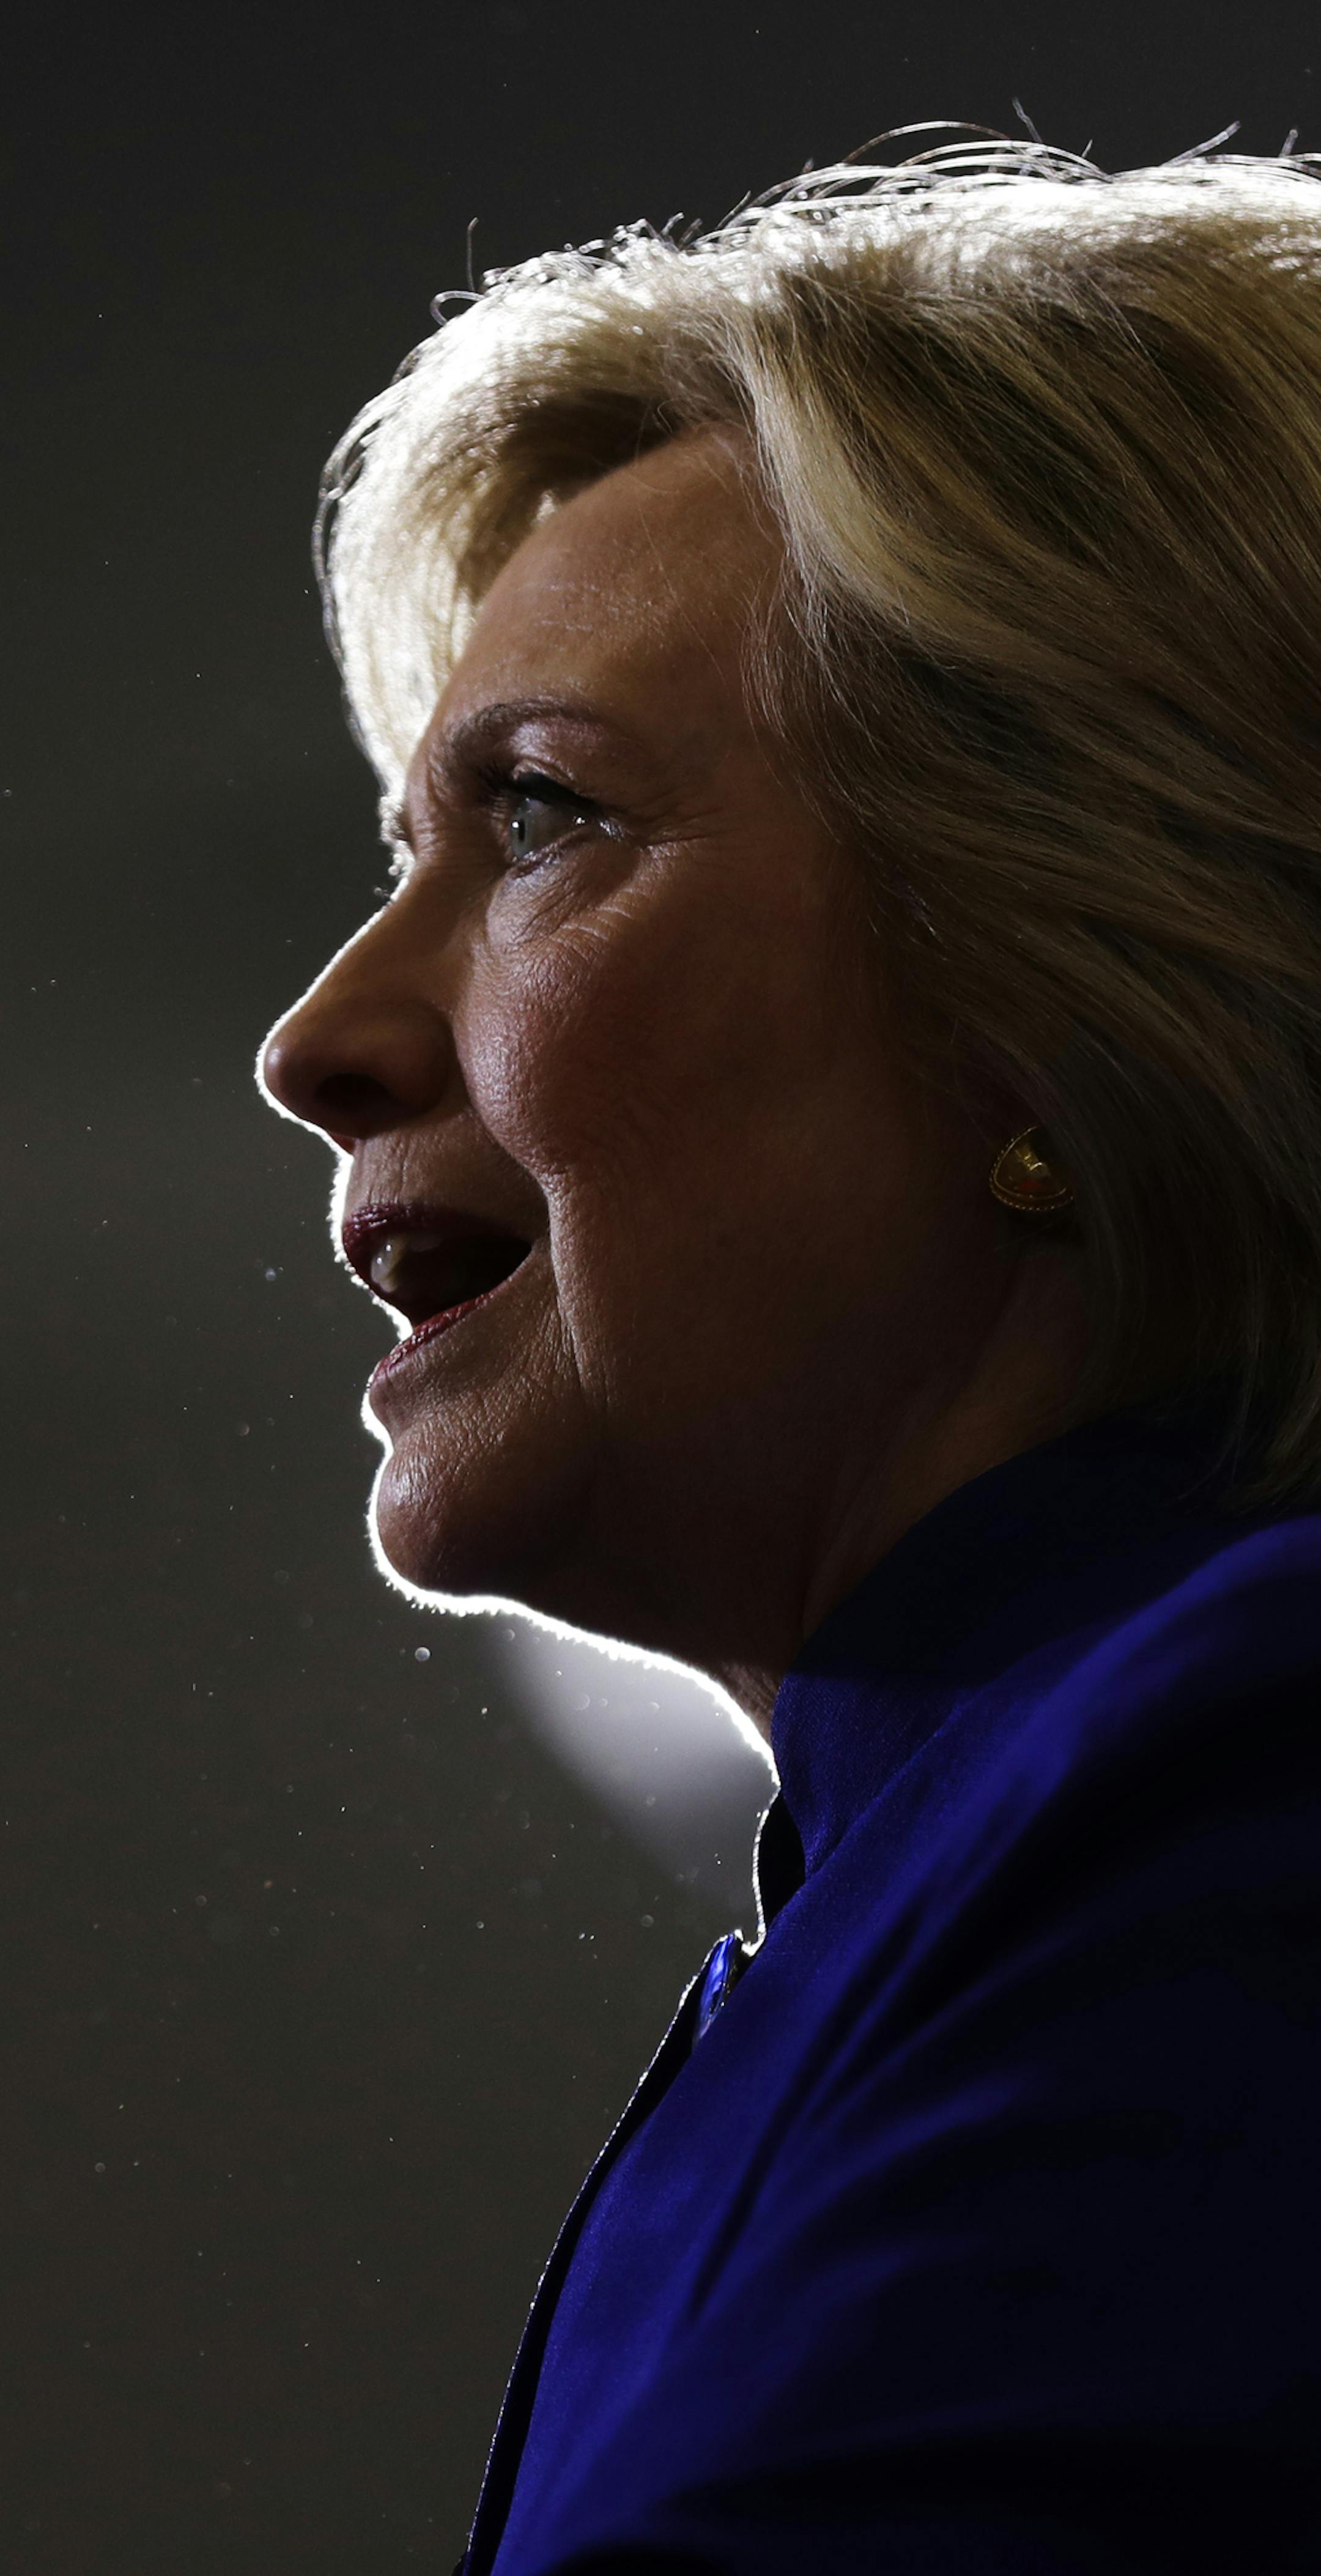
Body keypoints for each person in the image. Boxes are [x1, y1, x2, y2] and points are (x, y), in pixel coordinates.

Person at [258, 124, 1321, 2574]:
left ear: (1073, 975)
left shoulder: (1245, 1774)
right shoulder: (908, 1892)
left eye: (538, 819)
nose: (320, 1036)